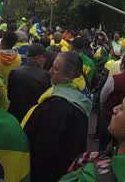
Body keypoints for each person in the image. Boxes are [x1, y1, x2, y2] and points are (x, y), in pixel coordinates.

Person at [22, 52, 92, 181]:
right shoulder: (78, 95)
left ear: (70, 75)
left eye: (55, 68)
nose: (50, 71)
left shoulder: (57, 106)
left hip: (50, 173)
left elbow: (44, 149)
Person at [99, 54, 125, 152]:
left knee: (102, 145)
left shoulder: (115, 79)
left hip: (109, 115)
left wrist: (102, 107)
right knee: (118, 147)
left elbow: (103, 96)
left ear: (122, 65)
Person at [7, 43, 50, 121]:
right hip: (32, 118)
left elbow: (9, 96)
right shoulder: (45, 76)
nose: (45, 60)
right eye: (44, 57)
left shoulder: (14, 72)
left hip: (14, 116)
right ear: (37, 58)